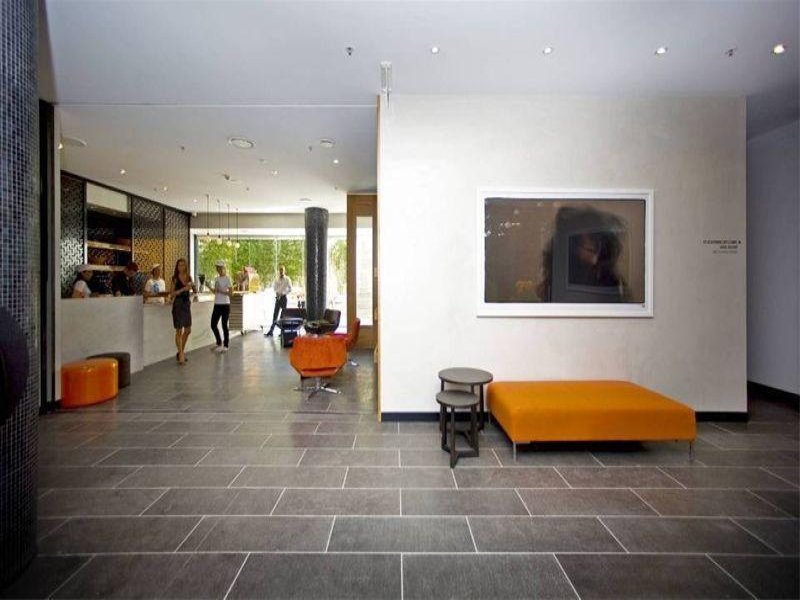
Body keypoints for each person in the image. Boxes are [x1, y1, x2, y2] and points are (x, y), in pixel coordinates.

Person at [169, 258, 195, 365]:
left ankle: (180, 352)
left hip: (186, 304)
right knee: (179, 330)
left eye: (183, 265)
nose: (181, 267)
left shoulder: (189, 277)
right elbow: (172, 293)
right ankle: (181, 355)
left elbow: (194, 291)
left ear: (186, 266)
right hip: (178, 304)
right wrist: (183, 289)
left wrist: (192, 286)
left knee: (188, 330)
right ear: (177, 266)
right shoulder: (175, 278)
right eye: (179, 265)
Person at [210, 260, 232, 353]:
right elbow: (215, 292)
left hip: (225, 305)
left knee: (224, 325)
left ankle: (226, 345)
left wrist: (221, 291)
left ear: (223, 268)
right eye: (217, 268)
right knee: (213, 325)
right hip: (217, 304)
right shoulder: (216, 279)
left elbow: (231, 293)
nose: (218, 270)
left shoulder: (228, 279)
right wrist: (208, 286)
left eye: (219, 268)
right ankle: (219, 342)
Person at [265, 265, 292, 337]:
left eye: (282, 270)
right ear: (279, 271)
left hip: (284, 298)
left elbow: (290, 289)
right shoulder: (276, 279)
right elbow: (274, 288)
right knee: (275, 315)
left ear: (284, 271)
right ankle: (271, 331)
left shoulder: (287, 279)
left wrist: (283, 293)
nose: (281, 272)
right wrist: (277, 292)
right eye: (280, 270)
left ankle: (282, 331)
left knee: (283, 316)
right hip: (278, 298)